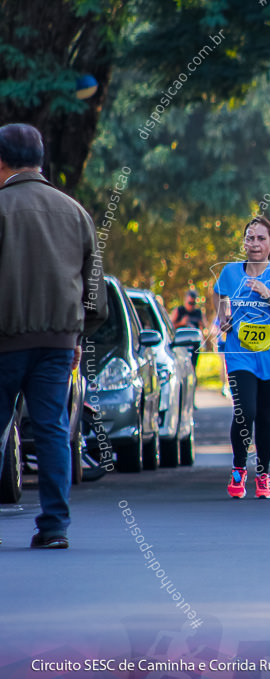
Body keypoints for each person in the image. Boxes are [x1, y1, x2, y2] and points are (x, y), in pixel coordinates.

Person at [0, 123, 108, 549]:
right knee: (51, 429)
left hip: (5, 340)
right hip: (59, 342)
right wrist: (79, 333)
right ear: (40, 160)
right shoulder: (75, 213)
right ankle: (54, 527)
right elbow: (94, 289)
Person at [213, 216, 270, 500]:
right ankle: (239, 469)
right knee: (245, 411)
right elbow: (218, 296)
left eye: (261, 238)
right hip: (240, 356)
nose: (255, 244)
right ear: (244, 242)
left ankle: (263, 475)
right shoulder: (230, 272)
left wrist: (268, 294)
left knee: (265, 417)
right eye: (250, 238)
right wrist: (221, 319)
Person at [170, 289, 208, 369]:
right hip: (181, 344)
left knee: (193, 366)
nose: (192, 306)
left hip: (194, 343)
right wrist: (181, 323)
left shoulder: (198, 312)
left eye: (194, 303)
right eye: (190, 303)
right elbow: (170, 327)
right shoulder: (179, 311)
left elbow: (203, 327)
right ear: (185, 300)